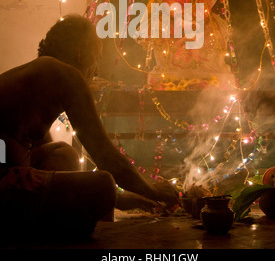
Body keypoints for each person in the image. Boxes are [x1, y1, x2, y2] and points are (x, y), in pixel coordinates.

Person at [0, 14, 178, 241]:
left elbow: (36, 160)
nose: (95, 70)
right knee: (102, 184)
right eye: (97, 57)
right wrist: (153, 190)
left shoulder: (40, 73)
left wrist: (126, 198)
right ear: (80, 52)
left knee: (63, 154)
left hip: (10, 175)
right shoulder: (66, 75)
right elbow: (105, 155)